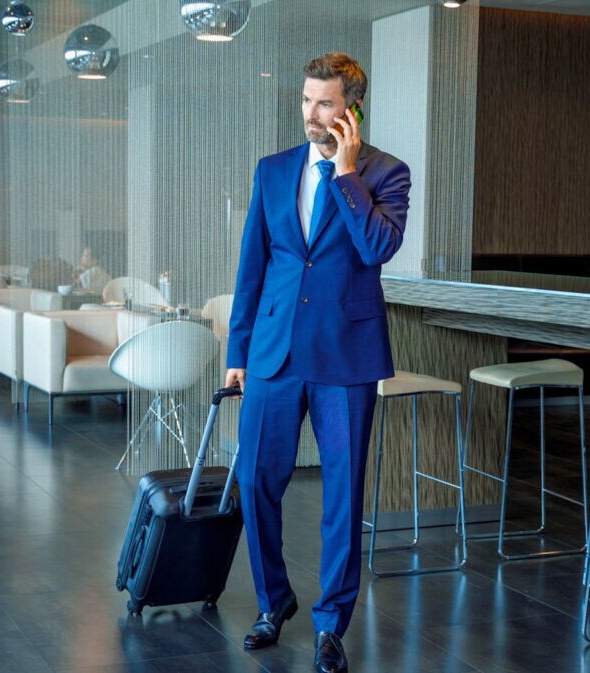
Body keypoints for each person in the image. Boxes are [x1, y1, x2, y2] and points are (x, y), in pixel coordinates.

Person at [224, 52, 409, 673]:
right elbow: (254, 266)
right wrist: (237, 351)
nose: (311, 113)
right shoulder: (272, 171)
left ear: (351, 108)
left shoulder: (386, 173)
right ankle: (274, 602)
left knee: (342, 496)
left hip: (345, 358)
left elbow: (379, 246)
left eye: (324, 102)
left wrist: (346, 173)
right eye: (306, 100)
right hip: (274, 353)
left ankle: (332, 624)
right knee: (255, 482)